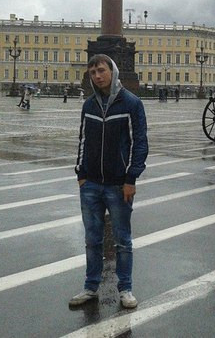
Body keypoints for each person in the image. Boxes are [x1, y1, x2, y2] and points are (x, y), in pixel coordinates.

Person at [70, 54, 148, 309]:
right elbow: (83, 141)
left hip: (118, 184)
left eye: (101, 70)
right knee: (92, 239)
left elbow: (139, 143)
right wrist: (81, 174)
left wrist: (131, 177)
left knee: (122, 240)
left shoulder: (132, 103)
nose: (97, 76)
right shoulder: (89, 105)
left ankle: (125, 289)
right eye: (92, 72)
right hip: (90, 184)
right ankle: (91, 287)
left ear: (112, 71)